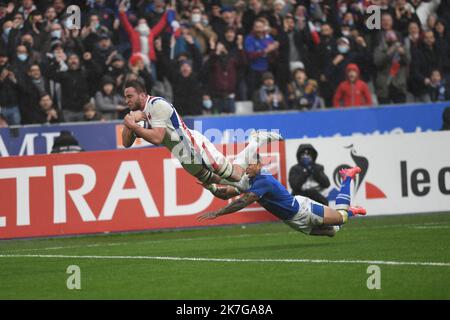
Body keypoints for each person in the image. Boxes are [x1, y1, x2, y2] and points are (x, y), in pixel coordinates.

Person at [121, 80, 282, 190]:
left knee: (236, 175)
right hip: (182, 154)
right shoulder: (141, 113)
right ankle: (246, 186)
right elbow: (126, 143)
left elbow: (156, 138)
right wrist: (128, 125)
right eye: (125, 97)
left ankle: (255, 140)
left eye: (130, 96)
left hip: (195, 147)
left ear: (142, 95)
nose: (127, 100)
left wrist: (133, 125)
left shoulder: (157, 105)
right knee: (215, 180)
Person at [198, 157, 366, 238]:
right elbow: (224, 193)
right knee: (331, 232)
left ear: (259, 165)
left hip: (303, 210)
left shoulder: (264, 180)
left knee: (341, 218)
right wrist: (211, 187)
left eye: (250, 165)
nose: (246, 168)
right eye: (245, 165)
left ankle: (347, 178)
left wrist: (218, 213)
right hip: (292, 220)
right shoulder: (248, 181)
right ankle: (351, 210)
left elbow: (242, 202)